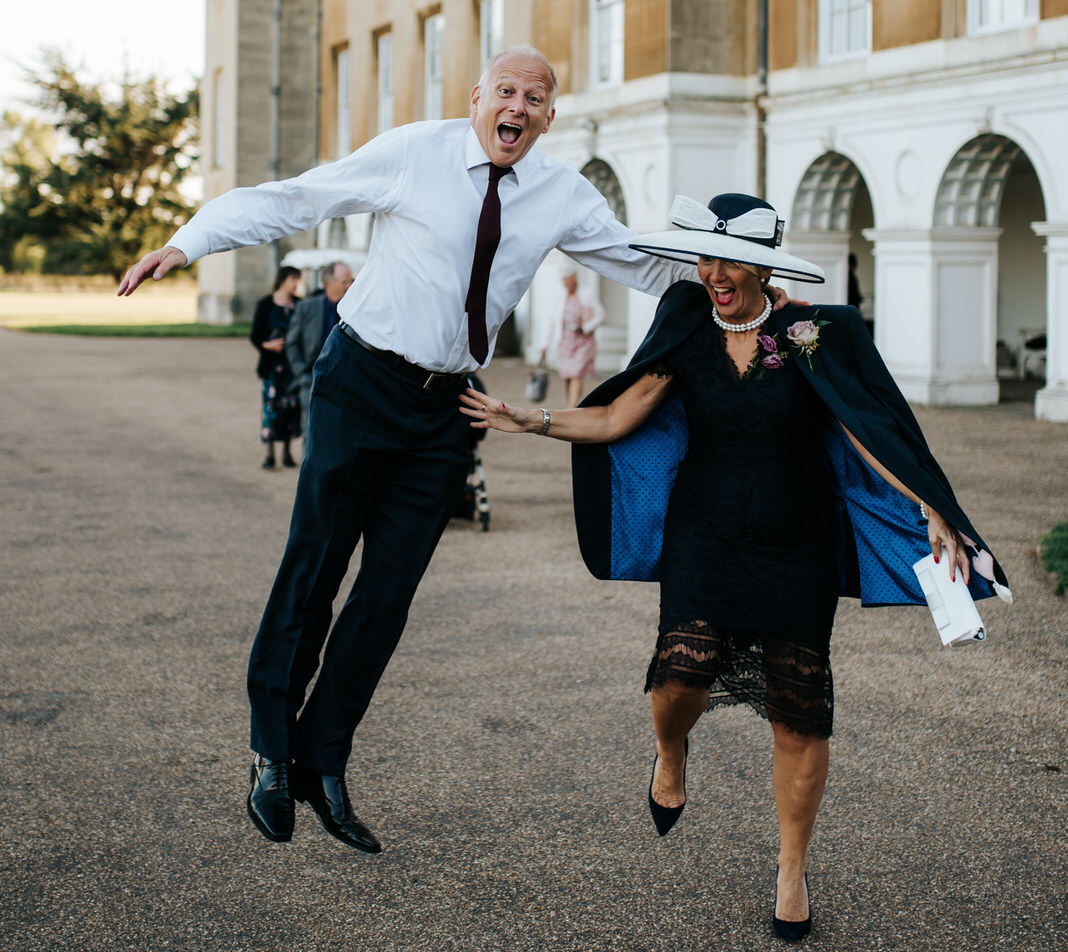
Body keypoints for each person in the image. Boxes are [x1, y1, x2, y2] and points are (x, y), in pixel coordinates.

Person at [117, 48, 797, 856]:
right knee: (316, 565)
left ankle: (323, 761)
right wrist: (189, 244)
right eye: (505, 91)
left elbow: (637, 262)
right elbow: (295, 198)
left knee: (389, 593)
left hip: (446, 410)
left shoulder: (561, 194)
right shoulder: (415, 152)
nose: (518, 106)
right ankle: (272, 747)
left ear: (549, 117)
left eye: (535, 97)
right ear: (478, 99)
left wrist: (749, 289)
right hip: (361, 380)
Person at [462, 191, 1009, 943]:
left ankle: (791, 870)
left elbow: (867, 423)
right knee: (678, 679)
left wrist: (931, 505)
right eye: (706, 257)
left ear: (762, 266)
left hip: (797, 544)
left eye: (731, 260)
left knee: (799, 712)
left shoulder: (813, 332)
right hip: (705, 535)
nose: (714, 272)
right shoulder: (686, 320)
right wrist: (534, 418)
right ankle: (669, 750)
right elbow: (624, 414)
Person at [285, 261, 354, 434]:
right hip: (311, 378)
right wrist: (301, 373)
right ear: (329, 283)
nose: (350, 286)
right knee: (311, 432)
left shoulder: (356, 310)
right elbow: (292, 342)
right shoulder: (306, 307)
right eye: (345, 282)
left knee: (342, 433)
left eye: (351, 281)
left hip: (346, 381)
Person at [249, 266, 303, 469]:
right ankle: (270, 454)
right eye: (293, 279)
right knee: (270, 407)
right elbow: (255, 334)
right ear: (283, 280)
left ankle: (287, 452)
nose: (295, 284)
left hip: (292, 365)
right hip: (272, 364)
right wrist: (268, 345)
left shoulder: (299, 304)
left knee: (291, 407)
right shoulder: (266, 304)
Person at [539, 269, 605, 406]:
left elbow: (600, 315)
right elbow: (552, 322)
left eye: (570, 282)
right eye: (566, 283)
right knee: (568, 376)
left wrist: (586, 327)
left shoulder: (586, 295)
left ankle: (572, 408)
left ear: (575, 281)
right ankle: (571, 403)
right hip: (565, 342)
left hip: (583, 340)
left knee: (576, 374)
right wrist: (545, 344)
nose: (568, 285)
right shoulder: (560, 298)